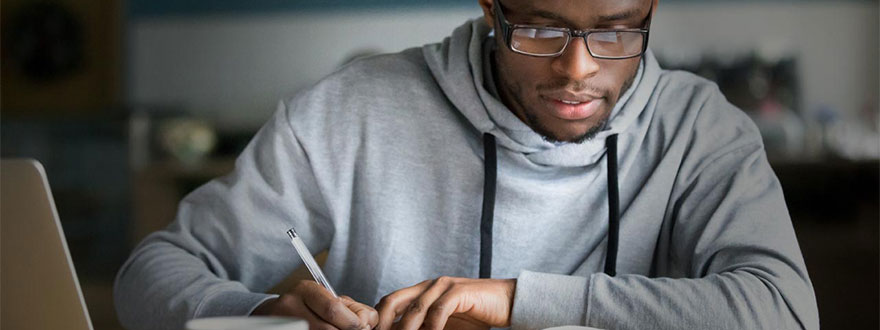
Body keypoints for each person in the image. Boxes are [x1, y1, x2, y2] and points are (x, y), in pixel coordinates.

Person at [114, 0, 820, 329]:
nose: (577, 69)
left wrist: (516, 300)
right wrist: (262, 314)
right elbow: (152, 274)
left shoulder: (699, 127)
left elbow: (785, 311)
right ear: (491, 7)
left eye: (614, 30)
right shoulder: (348, 110)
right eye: (540, 26)